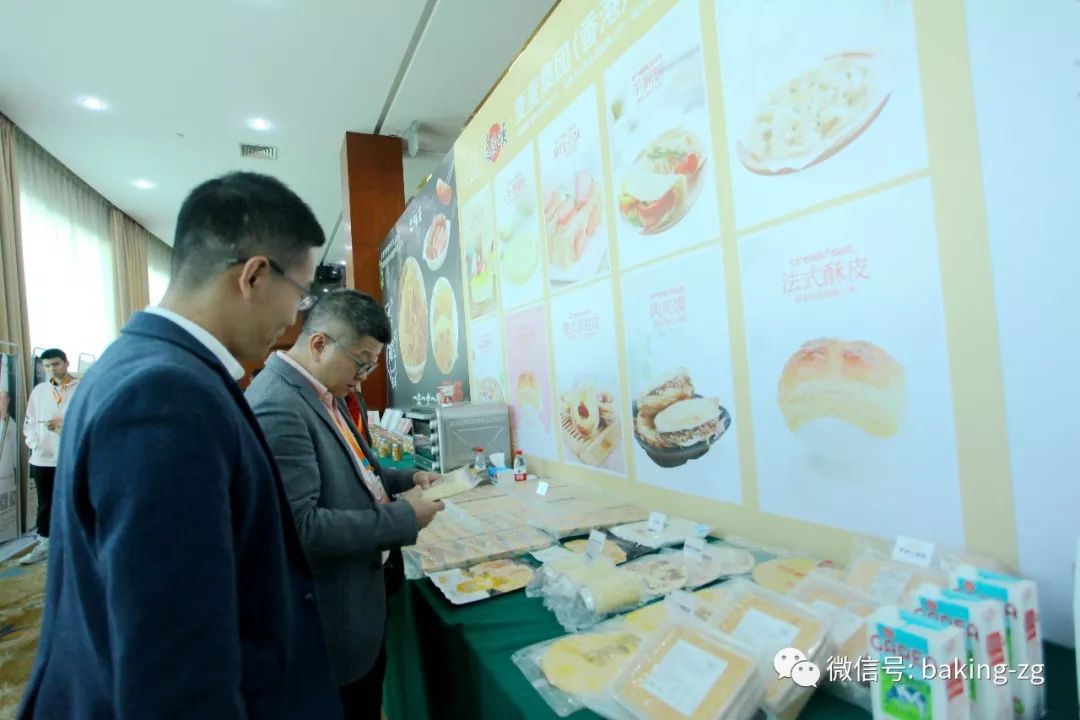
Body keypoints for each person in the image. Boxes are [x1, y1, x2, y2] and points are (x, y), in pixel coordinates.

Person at [18, 172, 343, 719]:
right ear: (255, 276)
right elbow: (175, 665)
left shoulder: (139, 363)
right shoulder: (165, 395)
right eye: (300, 294)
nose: (295, 317)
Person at [246, 289, 445, 720]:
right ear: (319, 344)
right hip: (328, 623)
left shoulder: (323, 391)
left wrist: (407, 478)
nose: (364, 377)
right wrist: (405, 516)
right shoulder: (278, 405)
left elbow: (358, 470)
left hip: (361, 602)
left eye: (372, 365)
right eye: (361, 362)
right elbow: (301, 528)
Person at [19, 348, 78, 565]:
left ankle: (75, 547)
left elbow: (88, 420)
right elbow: (29, 421)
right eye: (47, 366)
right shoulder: (40, 391)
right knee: (45, 504)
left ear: (66, 363)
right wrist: (35, 445)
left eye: (56, 364)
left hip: (71, 457)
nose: (52, 369)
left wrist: (65, 430)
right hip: (42, 459)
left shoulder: (81, 389)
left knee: (75, 501)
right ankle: (45, 544)